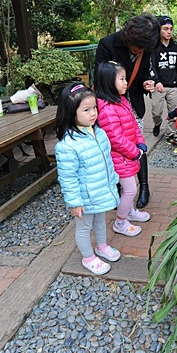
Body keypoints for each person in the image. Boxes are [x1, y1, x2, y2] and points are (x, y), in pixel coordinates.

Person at [55, 83, 121, 276]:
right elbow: (68, 178)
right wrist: (74, 202)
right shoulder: (68, 145)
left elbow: (107, 159)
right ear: (71, 112)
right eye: (86, 110)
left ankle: (101, 246)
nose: (93, 113)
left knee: (100, 220)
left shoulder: (98, 132)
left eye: (94, 108)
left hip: (100, 190)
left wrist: (113, 180)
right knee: (84, 228)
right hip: (85, 197)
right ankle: (88, 257)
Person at [95, 13, 159, 209]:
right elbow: (101, 79)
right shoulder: (107, 45)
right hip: (112, 106)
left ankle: (144, 186)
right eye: (138, 48)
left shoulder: (146, 47)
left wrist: (147, 82)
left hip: (133, 105)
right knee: (115, 147)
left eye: (144, 49)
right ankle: (118, 189)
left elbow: (145, 72)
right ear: (129, 38)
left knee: (138, 141)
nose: (140, 51)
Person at [94, 61, 150, 237]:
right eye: (122, 79)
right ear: (109, 82)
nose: (126, 82)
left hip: (128, 156)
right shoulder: (107, 109)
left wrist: (140, 142)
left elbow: (134, 125)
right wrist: (135, 152)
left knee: (129, 187)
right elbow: (116, 140)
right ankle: (120, 221)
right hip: (120, 158)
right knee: (130, 189)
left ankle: (130, 211)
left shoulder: (122, 101)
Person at [150, 16, 177, 143]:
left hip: (173, 86)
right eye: (165, 29)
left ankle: (171, 134)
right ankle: (157, 124)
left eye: (170, 29)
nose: (169, 32)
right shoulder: (154, 48)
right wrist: (156, 81)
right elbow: (151, 66)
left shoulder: (175, 48)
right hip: (158, 86)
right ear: (159, 30)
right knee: (156, 112)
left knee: (173, 113)